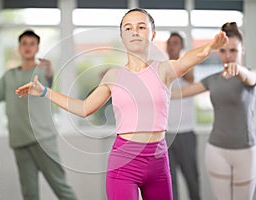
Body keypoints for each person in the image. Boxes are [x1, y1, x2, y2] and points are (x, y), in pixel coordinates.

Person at [15, 8, 227, 200]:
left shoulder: (164, 70)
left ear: (152, 35)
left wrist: (210, 47)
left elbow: (189, 58)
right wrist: (45, 91)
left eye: (141, 27)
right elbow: (83, 108)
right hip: (124, 164)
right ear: (122, 37)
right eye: (128, 28)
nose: (135, 31)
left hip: (158, 161)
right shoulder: (114, 75)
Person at [172, 22, 256, 200]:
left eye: (233, 51)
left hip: (245, 151)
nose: (228, 56)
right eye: (224, 51)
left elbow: (249, 77)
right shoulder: (212, 80)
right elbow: (178, 94)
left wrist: (238, 69)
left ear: (242, 51)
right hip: (216, 150)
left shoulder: (249, 75)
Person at [0, 30, 77, 200]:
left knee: (60, 186)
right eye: (24, 43)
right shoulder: (9, 76)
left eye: (32, 44)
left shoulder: (43, 71)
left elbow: (50, 78)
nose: (28, 47)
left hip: (43, 138)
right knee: (29, 192)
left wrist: (49, 69)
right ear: (19, 48)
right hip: (20, 141)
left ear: (37, 47)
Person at [166, 32, 200, 200]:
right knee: (169, 182)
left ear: (182, 47)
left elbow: (190, 77)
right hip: (166, 134)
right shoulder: (163, 68)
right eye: (170, 43)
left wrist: (178, 61)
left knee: (191, 178)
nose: (172, 46)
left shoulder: (187, 66)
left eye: (176, 43)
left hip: (186, 133)